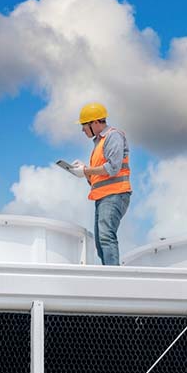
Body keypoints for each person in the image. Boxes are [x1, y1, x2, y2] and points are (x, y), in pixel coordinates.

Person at [70, 103, 131, 266]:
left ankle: (114, 279)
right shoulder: (98, 143)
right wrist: (83, 172)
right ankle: (109, 276)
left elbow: (113, 167)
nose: (82, 130)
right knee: (100, 243)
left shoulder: (113, 136)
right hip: (103, 197)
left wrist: (86, 170)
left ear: (95, 123)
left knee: (106, 237)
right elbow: (95, 179)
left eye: (84, 125)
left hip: (115, 194)